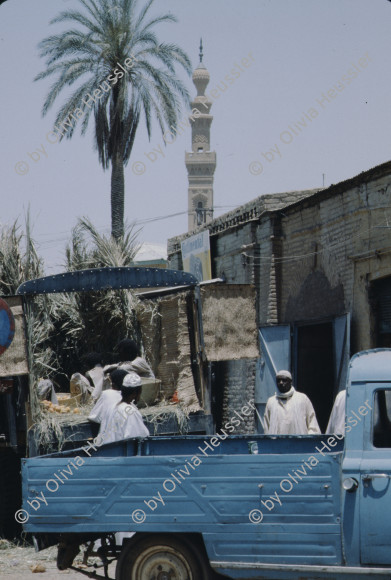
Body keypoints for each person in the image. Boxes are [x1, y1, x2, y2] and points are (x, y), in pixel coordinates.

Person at [97, 369, 149, 444]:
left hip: (108, 450)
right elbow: (138, 437)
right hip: (121, 452)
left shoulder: (112, 408)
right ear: (135, 393)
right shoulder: (130, 411)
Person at [263, 370, 321, 435]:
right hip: (277, 443)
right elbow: (266, 427)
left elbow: (312, 423)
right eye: (278, 380)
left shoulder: (302, 399)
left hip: (299, 443)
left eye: (284, 380)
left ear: (290, 382)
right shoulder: (271, 402)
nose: (281, 383)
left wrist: (309, 442)